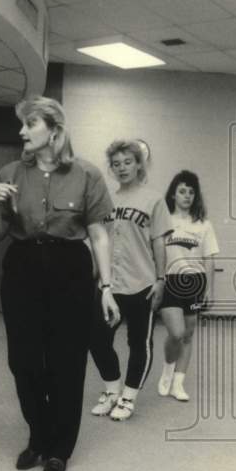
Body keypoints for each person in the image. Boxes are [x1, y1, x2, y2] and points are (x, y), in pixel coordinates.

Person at [0, 96, 119, 471]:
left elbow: (99, 234)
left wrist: (107, 286)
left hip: (69, 269)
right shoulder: (9, 173)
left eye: (30, 124)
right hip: (23, 267)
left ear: (54, 131)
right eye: (23, 124)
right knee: (23, 361)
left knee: (66, 361)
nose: (22, 131)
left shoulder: (87, 174)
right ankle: (38, 435)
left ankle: (60, 446)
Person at [87, 140, 172, 422]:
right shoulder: (106, 199)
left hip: (142, 282)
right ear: (110, 168)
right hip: (110, 284)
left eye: (127, 162)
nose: (122, 168)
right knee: (97, 338)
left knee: (139, 342)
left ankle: (129, 396)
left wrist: (161, 279)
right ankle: (112, 389)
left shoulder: (154, 199)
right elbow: (99, 240)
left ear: (138, 165)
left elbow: (159, 243)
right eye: (116, 163)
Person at [157, 170, 219, 402]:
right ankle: (167, 369)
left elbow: (210, 258)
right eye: (182, 191)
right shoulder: (164, 221)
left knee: (189, 335)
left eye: (191, 192)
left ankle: (178, 384)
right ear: (173, 194)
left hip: (195, 281)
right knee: (177, 332)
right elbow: (156, 253)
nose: (187, 196)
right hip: (171, 280)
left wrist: (210, 289)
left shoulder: (203, 225)